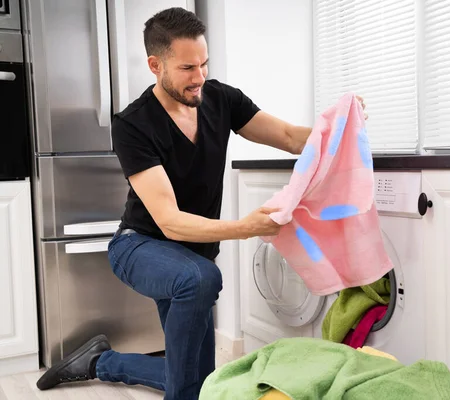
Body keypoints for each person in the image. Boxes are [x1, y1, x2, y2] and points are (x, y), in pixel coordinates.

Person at [35, 7, 366, 400]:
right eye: (187, 68)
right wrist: (246, 227)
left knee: (198, 379)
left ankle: (97, 362)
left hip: (192, 257)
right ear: (155, 65)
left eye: (204, 64)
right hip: (140, 246)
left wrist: (342, 125)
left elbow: (292, 137)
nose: (200, 78)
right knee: (201, 282)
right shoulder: (134, 124)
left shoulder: (221, 99)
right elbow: (170, 222)